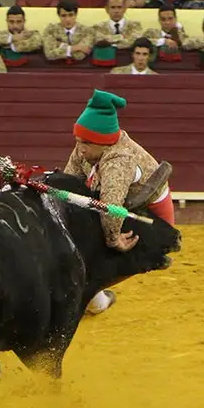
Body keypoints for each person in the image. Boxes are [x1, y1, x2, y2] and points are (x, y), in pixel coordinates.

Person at [62, 90, 174, 315]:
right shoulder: (87, 146)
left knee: (94, 251)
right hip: (115, 204)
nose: (80, 149)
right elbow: (70, 182)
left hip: (147, 217)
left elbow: (111, 208)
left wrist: (113, 239)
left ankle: (95, 299)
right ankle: (94, 299)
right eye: (78, 141)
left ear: (104, 144)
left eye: (86, 144)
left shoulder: (119, 161)